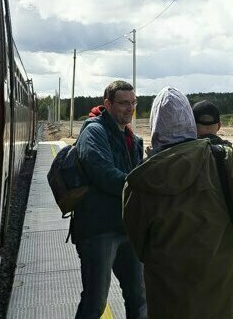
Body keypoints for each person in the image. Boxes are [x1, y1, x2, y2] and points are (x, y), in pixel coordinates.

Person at [123, 88, 233, 319]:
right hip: (220, 294)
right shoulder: (223, 159)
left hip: (166, 297)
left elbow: (138, 243)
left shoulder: (138, 180)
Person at [73, 80, 147, 319]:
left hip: (128, 228)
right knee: (95, 302)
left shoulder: (132, 137)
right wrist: (141, 186)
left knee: (139, 298)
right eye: (124, 103)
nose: (130, 108)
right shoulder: (94, 131)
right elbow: (103, 173)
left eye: (133, 102)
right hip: (99, 229)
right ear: (108, 104)